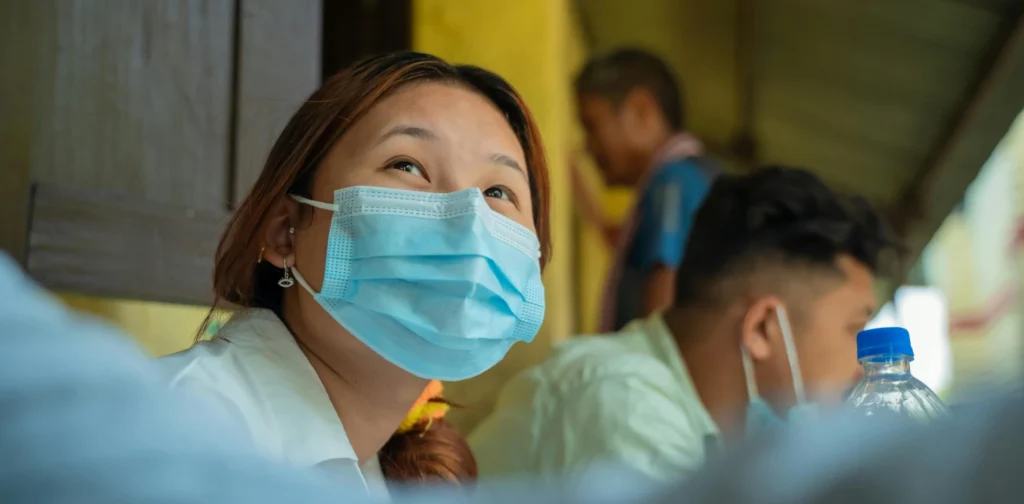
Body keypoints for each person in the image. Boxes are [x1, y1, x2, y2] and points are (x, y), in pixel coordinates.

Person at [158, 52, 550, 496]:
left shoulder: (388, 471)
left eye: (498, 191)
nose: (469, 222)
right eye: (407, 165)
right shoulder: (180, 436)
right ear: (285, 232)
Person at [469, 166, 898, 482]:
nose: (862, 365)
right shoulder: (625, 404)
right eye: (854, 328)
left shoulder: (701, 424)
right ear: (763, 329)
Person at [572, 47, 719, 332]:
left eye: (592, 126)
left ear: (642, 112)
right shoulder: (689, 179)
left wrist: (647, 359)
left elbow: (663, 298)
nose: (588, 147)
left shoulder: (674, 182)